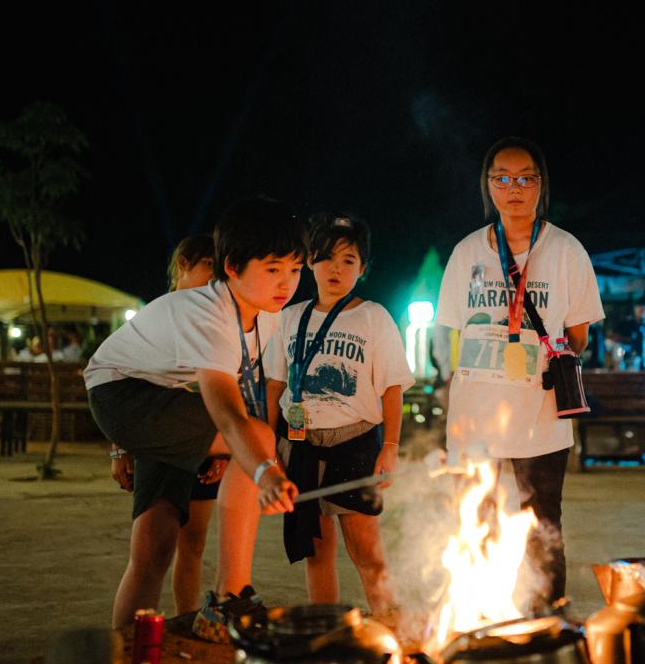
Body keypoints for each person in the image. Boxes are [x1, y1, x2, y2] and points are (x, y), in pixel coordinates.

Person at [84, 198, 303, 635]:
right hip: (123, 396)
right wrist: (261, 469)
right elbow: (225, 410)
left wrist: (236, 455)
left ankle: (126, 649)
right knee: (257, 437)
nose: (287, 283)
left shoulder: (265, 317)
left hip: (163, 398)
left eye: (296, 270)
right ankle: (230, 596)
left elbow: (239, 396)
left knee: (155, 541)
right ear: (234, 268)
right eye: (273, 268)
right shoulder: (207, 313)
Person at [435, 136, 604, 607]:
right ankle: (479, 613)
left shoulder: (566, 250)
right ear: (488, 186)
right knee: (475, 520)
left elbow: (579, 335)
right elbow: (448, 332)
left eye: (524, 178)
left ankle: (546, 619)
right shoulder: (467, 253)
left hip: (541, 414)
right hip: (476, 416)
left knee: (542, 524)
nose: (514, 188)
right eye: (502, 178)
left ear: (540, 184)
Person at [265, 214, 412, 623]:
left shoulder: (373, 317)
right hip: (299, 444)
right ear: (309, 262)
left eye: (348, 260)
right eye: (326, 257)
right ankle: (326, 631)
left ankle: (390, 628)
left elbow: (392, 389)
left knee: (367, 550)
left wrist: (391, 447)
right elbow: (275, 385)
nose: (336, 268)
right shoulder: (290, 317)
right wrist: (267, 441)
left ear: (363, 269)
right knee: (317, 549)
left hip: (356, 442)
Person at [108, 233, 229, 615]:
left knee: (193, 544)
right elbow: (127, 384)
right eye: (207, 265)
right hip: (163, 443)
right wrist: (119, 449)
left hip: (205, 443)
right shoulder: (159, 314)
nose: (214, 279)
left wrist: (225, 449)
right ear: (183, 265)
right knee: (150, 551)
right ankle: (127, 643)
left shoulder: (214, 317)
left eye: (219, 270)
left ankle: (185, 623)